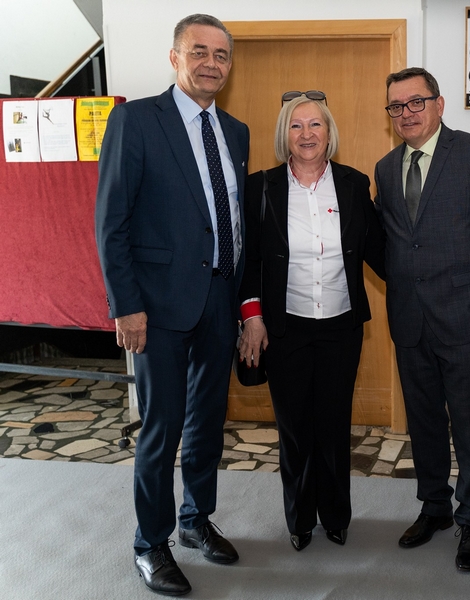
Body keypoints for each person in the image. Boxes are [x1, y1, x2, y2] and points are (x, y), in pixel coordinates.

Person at [95, 14, 249, 597]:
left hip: (220, 299)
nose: (212, 63)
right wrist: (125, 304)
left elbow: (232, 221)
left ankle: (195, 519)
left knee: (208, 420)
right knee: (161, 427)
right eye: (199, 51)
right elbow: (111, 221)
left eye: (221, 55)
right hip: (156, 307)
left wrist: (244, 307)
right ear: (175, 57)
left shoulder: (235, 131)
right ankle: (150, 544)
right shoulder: (136, 120)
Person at [373, 67, 470, 572]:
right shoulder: (385, 168)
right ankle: (433, 506)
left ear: (439, 103)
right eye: (396, 106)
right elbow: (392, 242)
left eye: (416, 102)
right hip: (410, 320)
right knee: (424, 422)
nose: (406, 113)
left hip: (466, 316)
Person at [237, 92, 385, 552]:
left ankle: (336, 516)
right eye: (296, 125)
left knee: (334, 424)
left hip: (341, 325)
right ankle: (300, 519)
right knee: (295, 428)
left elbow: (378, 250)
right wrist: (252, 317)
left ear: (329, 132)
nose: (306, 134)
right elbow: (249, 261)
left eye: (315, 124)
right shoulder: (260, 187)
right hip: (286, 327)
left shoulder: (354, 184)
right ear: (285, 135)